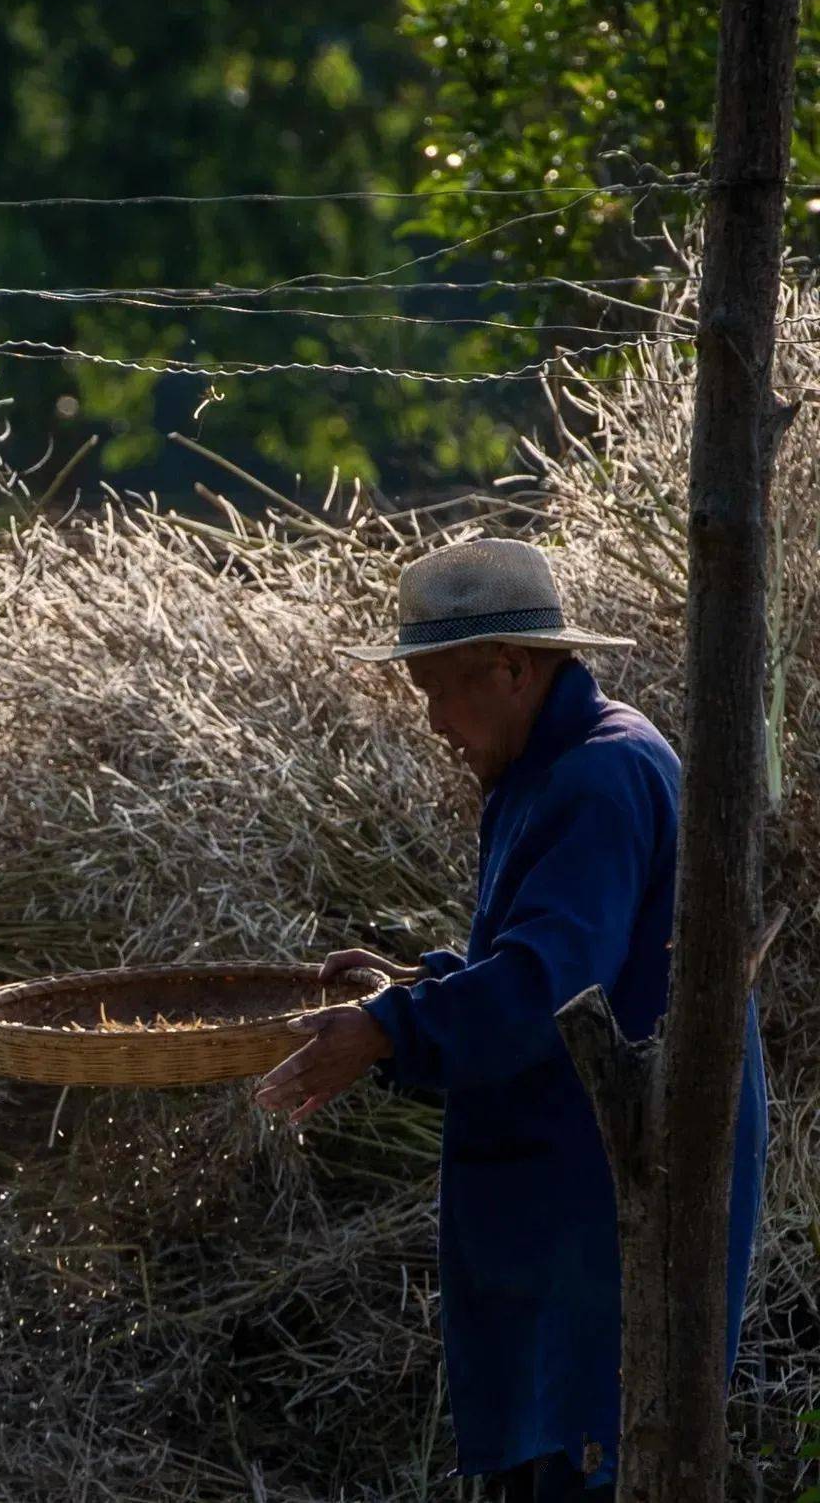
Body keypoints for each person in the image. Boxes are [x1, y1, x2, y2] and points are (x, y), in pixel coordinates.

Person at [254, 537, 768, 1500]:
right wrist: (416, 985)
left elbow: (544, 989)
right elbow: (546, 963)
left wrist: (391, 1027)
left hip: (618, 1186)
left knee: (595, 1446)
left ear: (513, 667)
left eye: (443, 691)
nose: (436, 722)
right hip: (575, 1180)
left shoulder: (598, 775)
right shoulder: (547, 766)